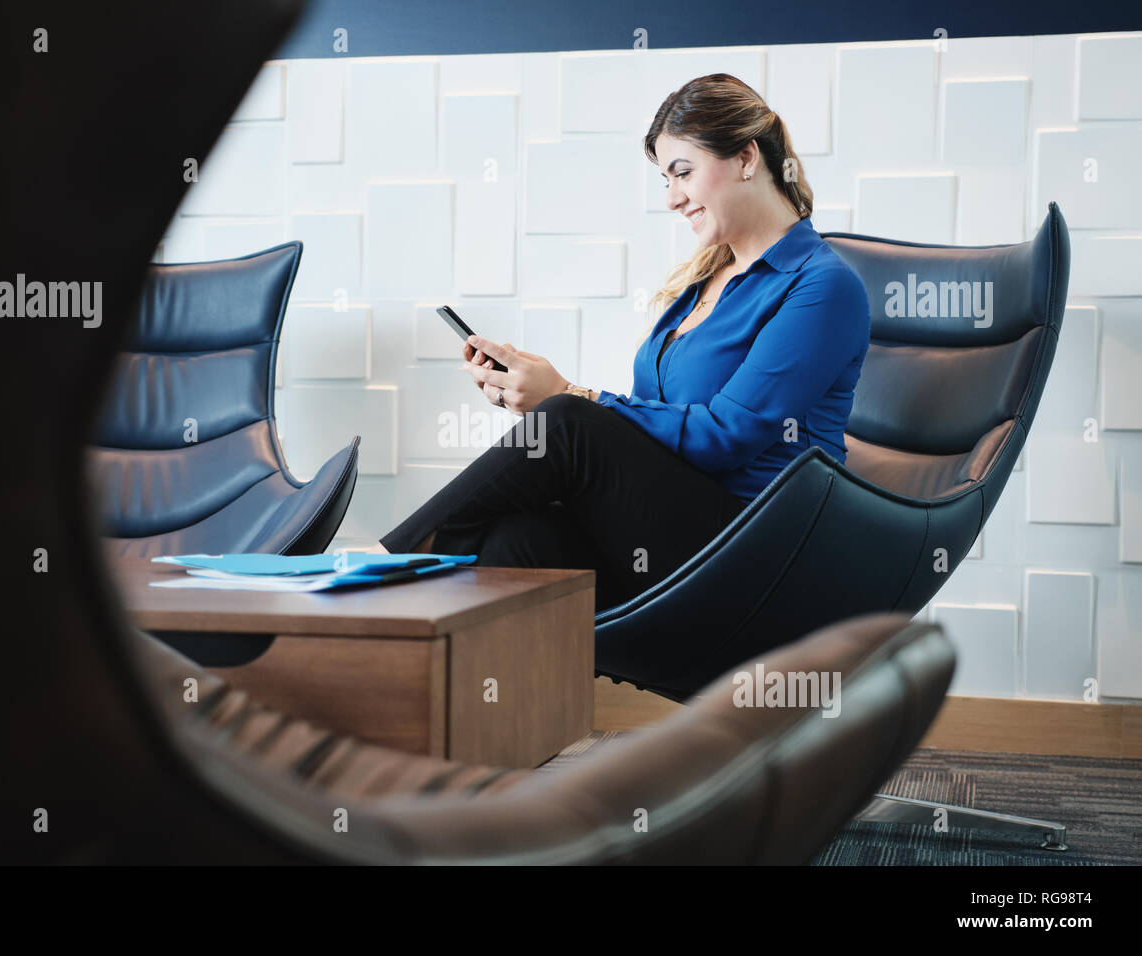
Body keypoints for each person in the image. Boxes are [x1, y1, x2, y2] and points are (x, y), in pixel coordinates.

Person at [362, 73, 870, 614]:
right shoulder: (702, 280)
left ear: (747, 159)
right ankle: (385, 641)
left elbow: (727, 435)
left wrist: (570, 397)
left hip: (758, 546)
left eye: (683, 173)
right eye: (665, 180)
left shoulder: (822, 285)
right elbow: (646, 432)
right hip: (678, 529)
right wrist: (535, 397)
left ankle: (374, 566)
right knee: (512, 540)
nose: (673, 198)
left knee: (566, 422)